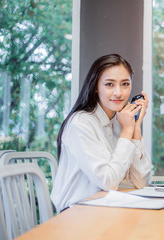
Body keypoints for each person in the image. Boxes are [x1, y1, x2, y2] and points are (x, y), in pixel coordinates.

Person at [51, 53, 152, 212]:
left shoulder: (119, 121)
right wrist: (127, 130)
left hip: (105, 210)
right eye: (109, 84)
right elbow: (109, 182)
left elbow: (141, 182)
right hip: (75, 214)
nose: (119, 93)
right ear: (96, 88)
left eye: (125, 84)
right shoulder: (81, 123)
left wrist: (135, 127)